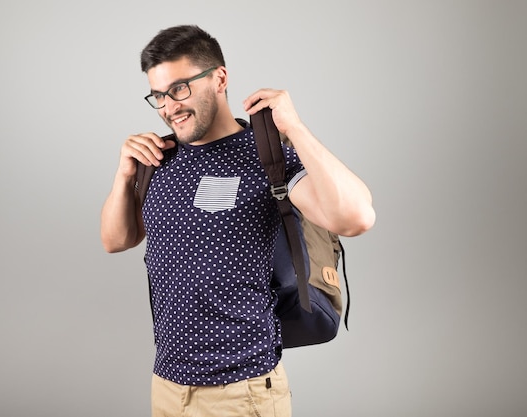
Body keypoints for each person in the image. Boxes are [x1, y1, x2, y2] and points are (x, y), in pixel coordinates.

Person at [100, 25, 375, 417]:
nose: (168, 107)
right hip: (167, 386)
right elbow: (116, 239)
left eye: (179, 89)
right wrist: (124, 175)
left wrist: (294, 128)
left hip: (242, 391)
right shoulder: (159, 160)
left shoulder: (266, 155)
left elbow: (356, 217)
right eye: (158, 95)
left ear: (220, 79)